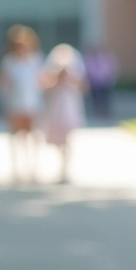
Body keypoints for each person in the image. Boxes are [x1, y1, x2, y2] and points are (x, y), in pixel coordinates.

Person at [0, 25, 44, 184]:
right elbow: (0, 83)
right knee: (16, 137)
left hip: (32, 104)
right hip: (15, 104)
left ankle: (32, 169)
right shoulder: (9, 61)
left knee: (32, 136)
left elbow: (42, 81)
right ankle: (17, 169)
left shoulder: (35, 59)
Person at [41, 43, 87, 184]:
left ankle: (65, 169)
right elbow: (45, 85)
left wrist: (69, 78)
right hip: (56, 107)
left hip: (69, 107)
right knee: (58, 140)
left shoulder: (74, 72)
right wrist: (57, 78)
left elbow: (83, 87)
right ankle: (62, 167)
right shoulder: (52, 71)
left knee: (67, 139)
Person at [84, 43, 119, 119]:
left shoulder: (107, 57)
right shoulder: (90, 58)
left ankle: (105, 112)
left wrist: (109, 78)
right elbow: (89, 70)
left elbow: (112, 69)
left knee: (106, 99)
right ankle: (97, 112)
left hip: (105, 82)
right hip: (94, 83)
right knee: (95, 99)